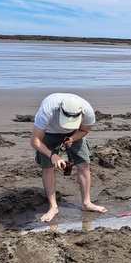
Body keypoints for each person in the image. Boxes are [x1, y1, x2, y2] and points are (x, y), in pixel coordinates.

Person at [30, 93, 107, 222]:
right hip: (49, 132)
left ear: (81, 114)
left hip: (74, 132)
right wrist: (52, 155)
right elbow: (35, 140)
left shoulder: (87, 111)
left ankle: (86, 203)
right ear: (59, 110)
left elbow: (84, 130)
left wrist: (72, 138)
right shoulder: (47, 111)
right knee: (48, 167)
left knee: (84, 164)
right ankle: (53, 206)